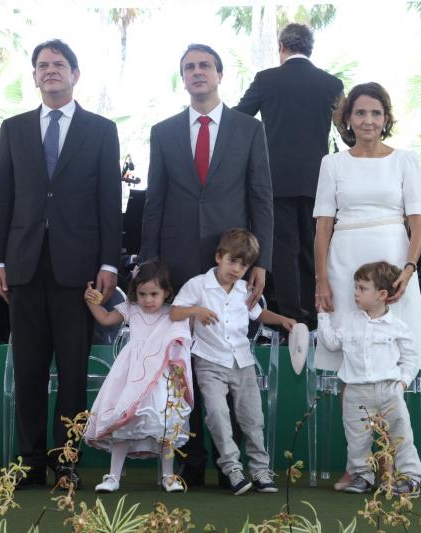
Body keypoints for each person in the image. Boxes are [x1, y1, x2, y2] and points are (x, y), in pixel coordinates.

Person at [0, 39, 122, 488]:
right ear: (34, 76)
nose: (51, 70)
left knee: (72, 371)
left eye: (59, 64)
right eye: (43, 65)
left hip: (78, 269)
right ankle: (27, 462)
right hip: (23, 266)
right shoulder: (13, 128)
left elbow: (110, 201)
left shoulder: (101, 129)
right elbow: (3, 199)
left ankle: (66, 462)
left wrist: (109, 263)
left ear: (75, 74)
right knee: (28, 369)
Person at [140, 43, 273, 486]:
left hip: (232, 259)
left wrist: (261, 261)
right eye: (189, 67)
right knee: (183, 360)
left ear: (219, 74)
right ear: (183, 78)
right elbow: (155, 200)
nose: (197, 72)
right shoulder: (163, 132)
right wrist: (150, 264)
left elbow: (261, 197)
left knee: (227, 359)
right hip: (177, 259)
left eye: (205, 66)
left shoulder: (249, 129)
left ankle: (231, 464)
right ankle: (191, 458)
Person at [313, 82, 421, 490]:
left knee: (392, 365)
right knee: (353, 369)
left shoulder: (405, 160)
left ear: (386, 118)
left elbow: (418, 223)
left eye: (376, 113)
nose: (368, 120)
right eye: (360, 112)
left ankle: (395, 467)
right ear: (347, 119)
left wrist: (408, 270)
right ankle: (358, 468)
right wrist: (322, 279)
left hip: (394, 262)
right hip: (344, 261)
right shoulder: (332, 164)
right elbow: (322, 226)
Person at [170, 228, 296, 495]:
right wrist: (197, 311)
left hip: (242, 361)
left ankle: (260, 470)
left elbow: (258, 314)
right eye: (232, 261)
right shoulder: (198, 285)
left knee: (253, 418)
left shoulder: (244, 289)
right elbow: (174, 312)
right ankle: (232, 468)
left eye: (244, 265)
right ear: (219, 257)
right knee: (217, 414)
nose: (237, 269)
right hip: (208, 361)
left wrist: (282, 320)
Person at [234, 23, 343, 328]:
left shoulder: (266, 79)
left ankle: (290, 318)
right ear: (310, 48)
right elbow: (347, 130)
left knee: (283, 248)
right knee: (315, 246)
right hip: (319, 181)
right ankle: (316, 315)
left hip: (275, 180)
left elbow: (239, 118)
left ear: (281, 47)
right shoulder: (331, 83)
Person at [82, 259, 192, 494]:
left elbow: (180, 343)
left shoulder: (172, 313)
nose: (147, 300)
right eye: (142, 294)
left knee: (166, 425)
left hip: (161, 378)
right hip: (131, 375)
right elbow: (105, 318)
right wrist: (91, 302)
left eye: (154, 294)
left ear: (166, 292)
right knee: (123, 422)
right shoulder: (131, 308)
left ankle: (168, 476)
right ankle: (113, 476)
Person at [317, 260, 421, 495]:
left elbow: (411, 358)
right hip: (355, 391)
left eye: (362, 288)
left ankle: (411, 477)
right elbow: (332, 343)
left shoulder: (398, 326)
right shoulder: (349, 321)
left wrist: (402, 383)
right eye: (355, 287)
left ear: (382, 294)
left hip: (389, 390)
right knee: (357, 438)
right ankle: (361, 476)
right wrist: (322, 316)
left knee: (401, 434)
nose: (355, 293)